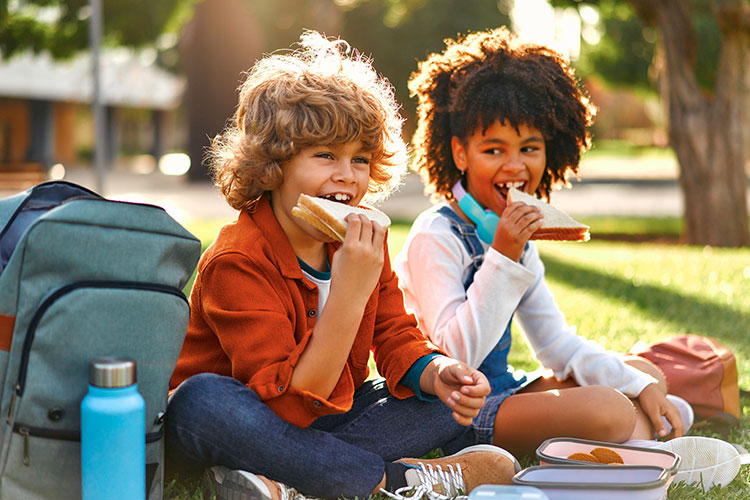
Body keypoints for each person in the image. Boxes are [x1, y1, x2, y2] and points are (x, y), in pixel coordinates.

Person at [165, 31, 518, 500]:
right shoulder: (238, 260)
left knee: (437, 406)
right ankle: (390, 480)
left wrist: (437, 371)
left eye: (360, 159)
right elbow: (287, 406)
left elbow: (395, 334)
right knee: (200, 403)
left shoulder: (362, 239)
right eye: (325, 155)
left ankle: (287, 481)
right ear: (274, 165)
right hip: (243, 418)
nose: (347, 175)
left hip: (320, 419)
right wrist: (349, 291)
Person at [393, 27, 693, 459]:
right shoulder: (434, 235)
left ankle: (643, 426)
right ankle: (644, 430)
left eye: (530, 148)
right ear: (460, 153)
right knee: (609, 409)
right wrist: (504, 254)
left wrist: (642, 384)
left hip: (505, 392)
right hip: (449, 413)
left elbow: (557, 346)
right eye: (493, 150)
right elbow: (454, 357)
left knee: (643, 372)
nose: (515, 166)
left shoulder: (517, 236)